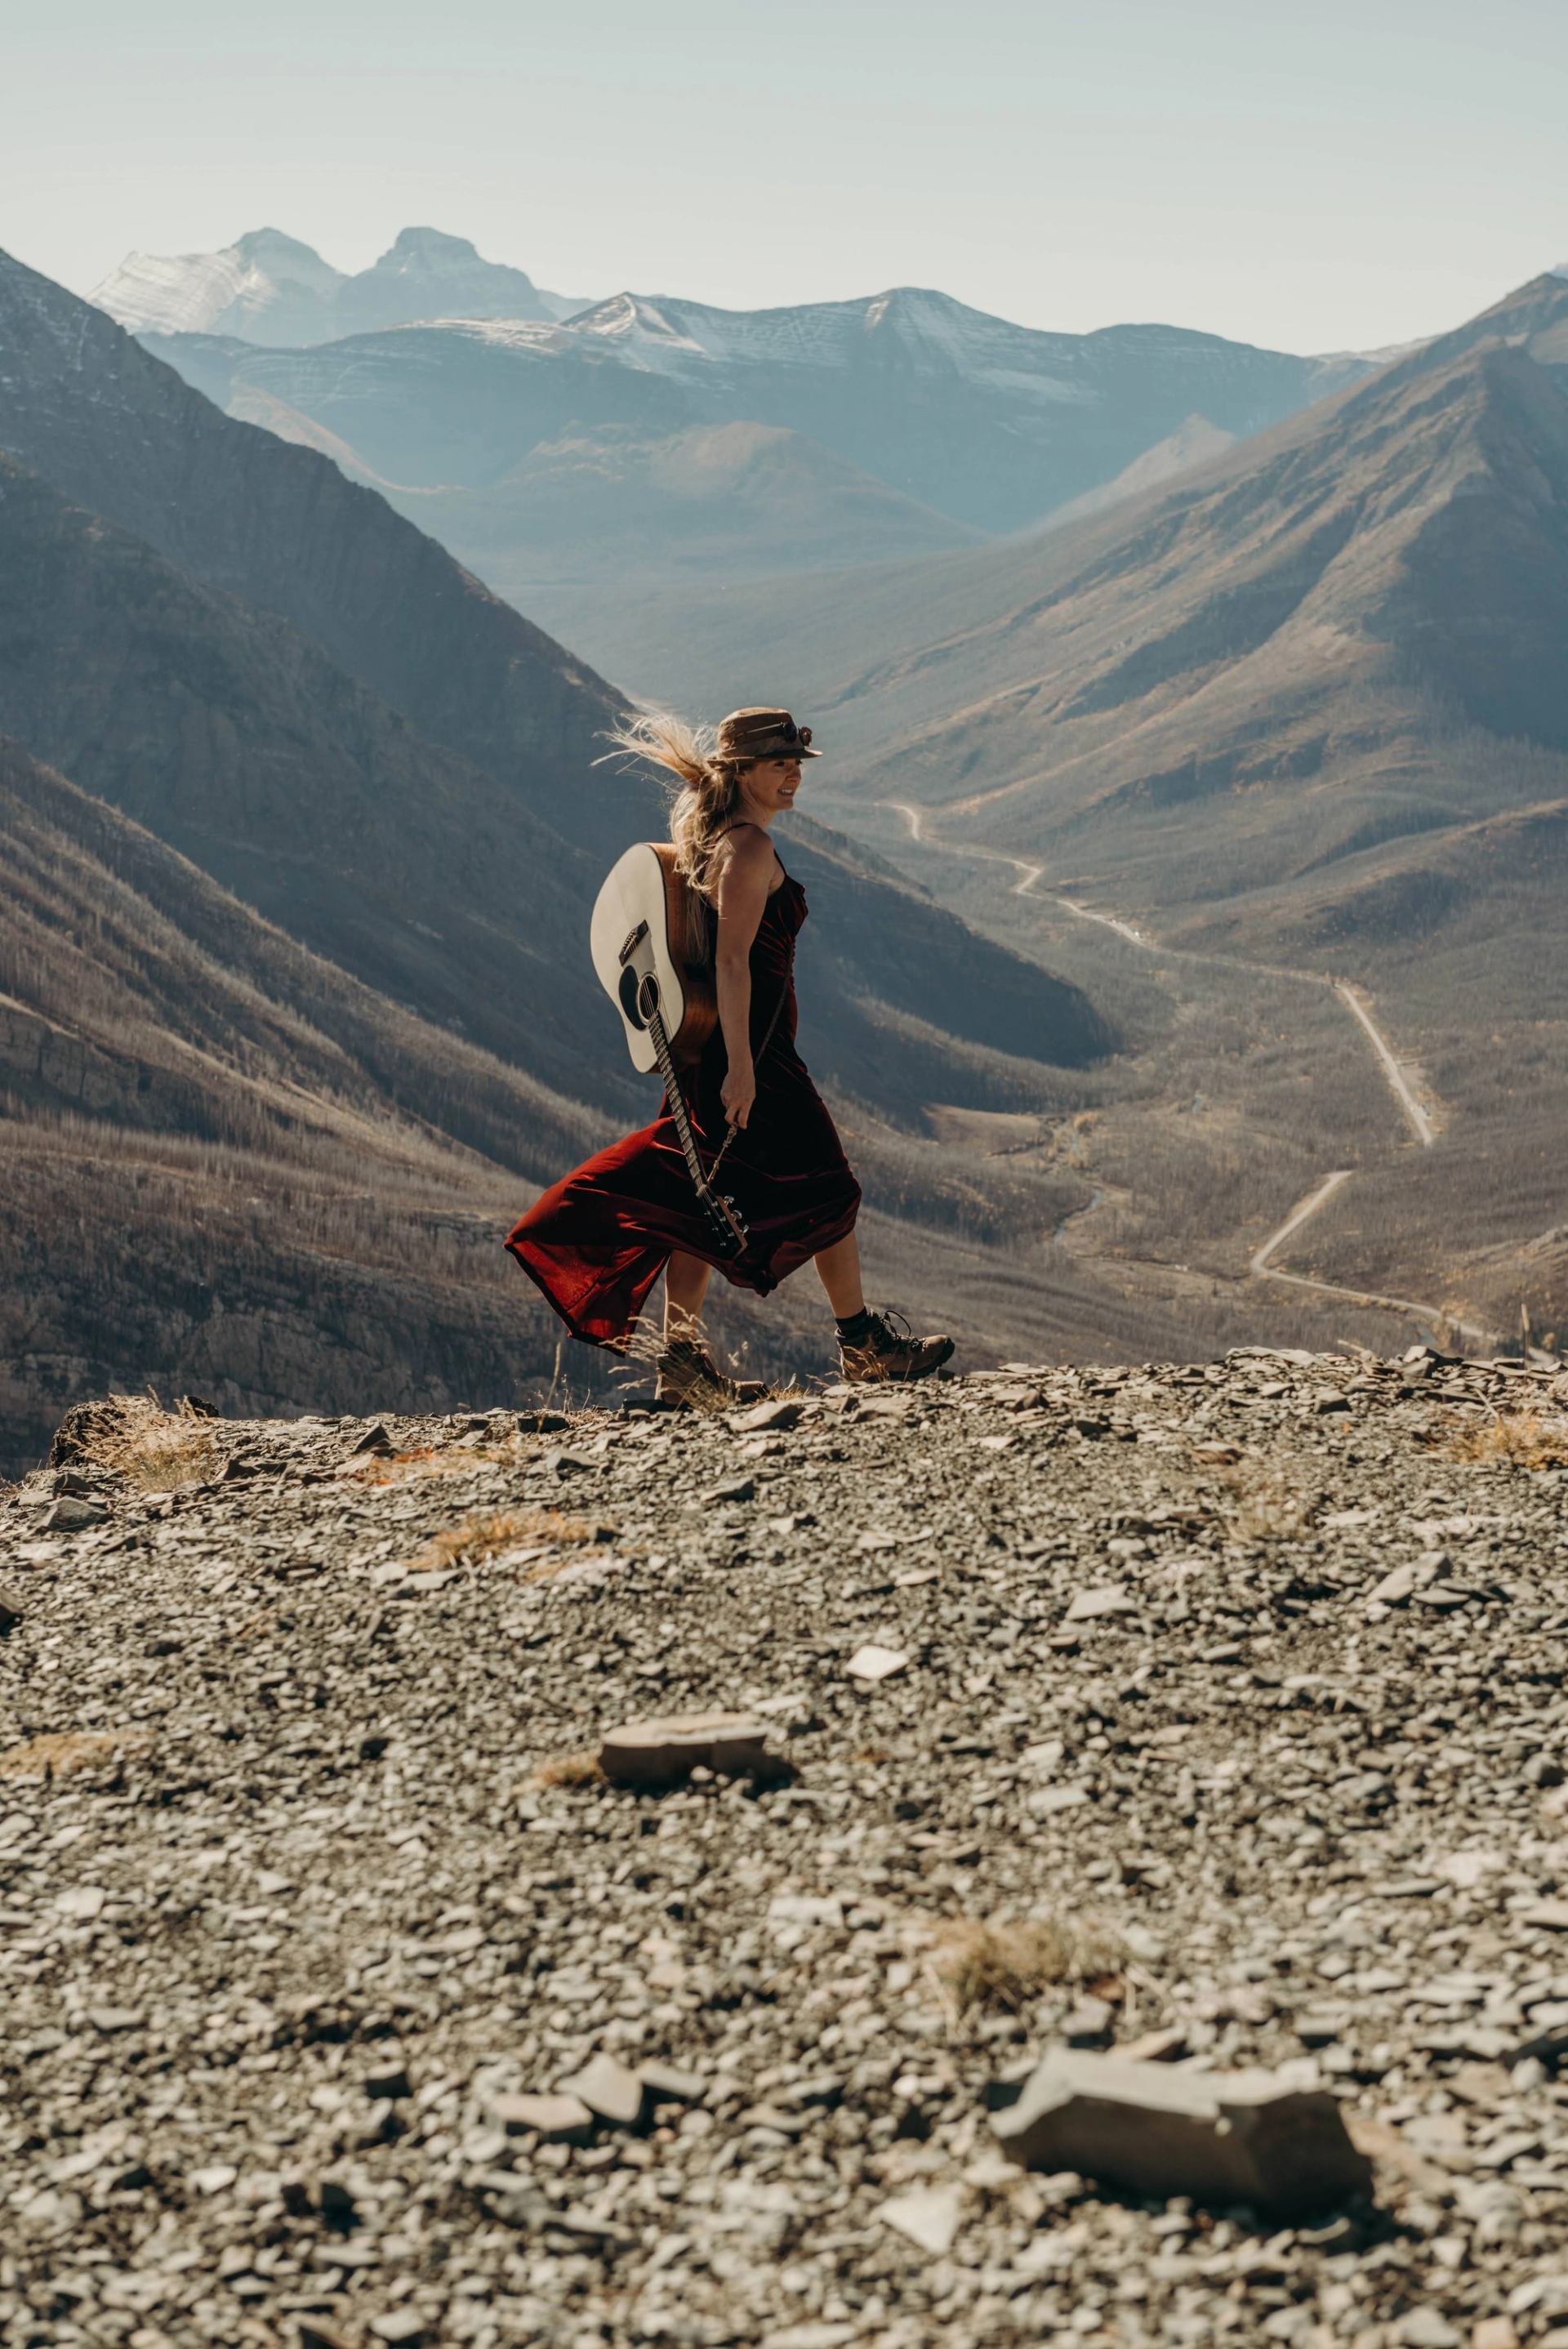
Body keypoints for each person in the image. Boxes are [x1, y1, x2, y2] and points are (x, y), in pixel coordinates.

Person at [506, 706, 955, 1404]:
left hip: (710, 1052)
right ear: (741, 771)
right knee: (831, 1186)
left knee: (695, 1197)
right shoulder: (747, 849)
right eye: (779, 764)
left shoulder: (717, 839)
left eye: (796, 764)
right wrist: (744, 1068)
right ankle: (862, 1345)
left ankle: (680, 1364)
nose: (793, 777)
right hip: (754, 1057)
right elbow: (732, 963)